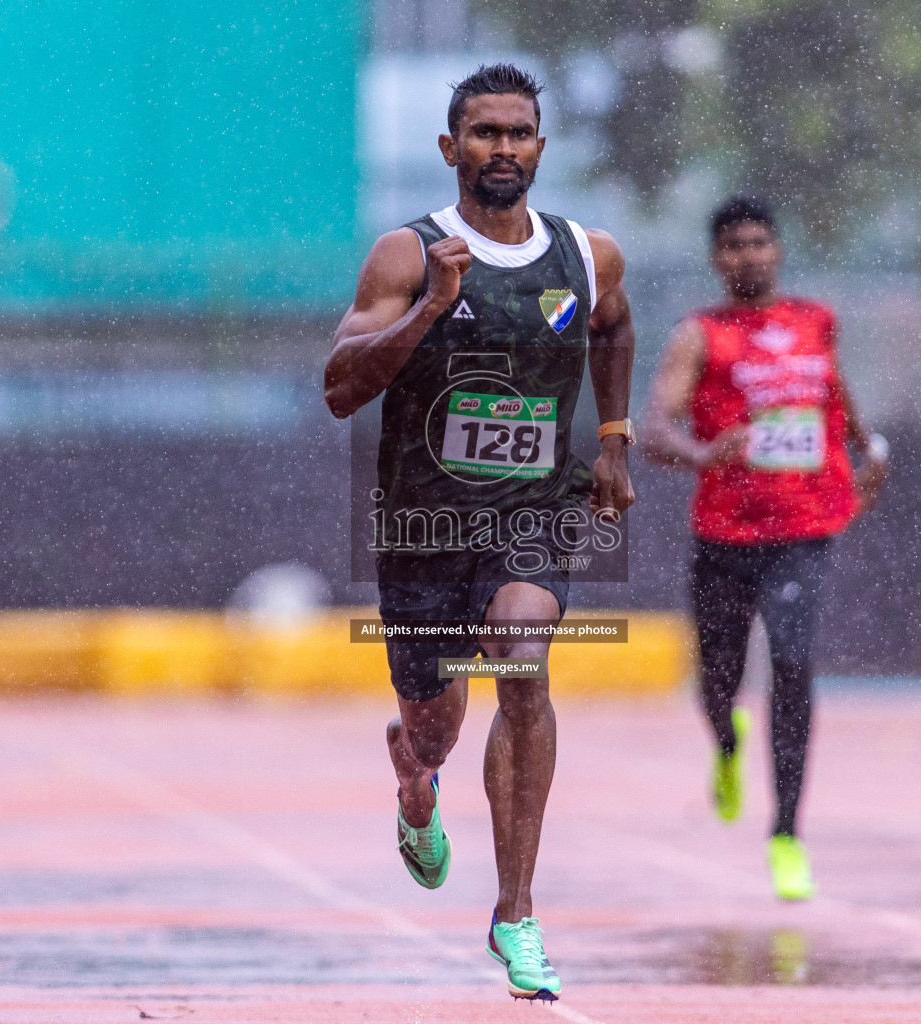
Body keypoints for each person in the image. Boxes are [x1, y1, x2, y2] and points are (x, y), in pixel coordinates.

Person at [324, 63, 635, 1000]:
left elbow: (613, 329)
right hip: (425, 528)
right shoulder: (407, 254)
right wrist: (428, 311)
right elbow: (340, 389)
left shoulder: (588, 256)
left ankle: (517, 914)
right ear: (450, 148)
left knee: (522, 662)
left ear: (541, 145)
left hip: (533, 514)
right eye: (485, 133)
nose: (504, 148)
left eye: (520, 132)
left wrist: (612, 439)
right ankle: (413, 782)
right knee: (436, 726)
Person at [642, 195, 886, 901]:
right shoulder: (699, 336)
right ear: (716, 258)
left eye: (759, 242)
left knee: (792, 661)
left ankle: (786, 834)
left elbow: (834, 395)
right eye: (733, 245)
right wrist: (701, 452)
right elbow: (656, 427)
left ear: (777, 249)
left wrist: (869, 449)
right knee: (717, 680)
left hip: (802, 529)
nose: (748, 255)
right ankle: (725, 742)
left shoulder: (816, 322)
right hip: (723, 534)